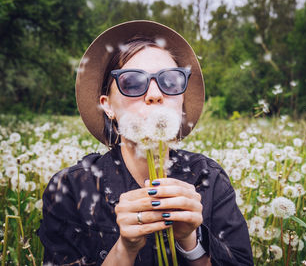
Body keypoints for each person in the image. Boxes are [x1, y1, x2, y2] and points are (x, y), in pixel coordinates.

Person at [37, 20, 253, 266]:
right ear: (107, 105)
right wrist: (125, 249)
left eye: (170, 80)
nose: (154, 94)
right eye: (131, 82)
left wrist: (191, 241)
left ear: (181, 99)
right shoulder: (70, 188)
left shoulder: (209, 178)